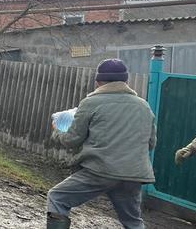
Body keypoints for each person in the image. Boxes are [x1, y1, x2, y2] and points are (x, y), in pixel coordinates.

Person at [47, 59, 156, 229]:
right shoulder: (144, 106)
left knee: (57, 198)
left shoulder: (91, 103)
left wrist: (57, 131)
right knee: (132, 221)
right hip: (133, 174)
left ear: (98, 82)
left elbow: (72, 140)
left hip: (100, 170)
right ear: (125, 82)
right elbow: (151, 143)